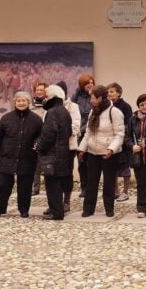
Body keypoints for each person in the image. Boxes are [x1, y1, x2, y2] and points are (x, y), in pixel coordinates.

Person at [0, 91, 43, 217]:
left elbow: (41, 136)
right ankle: (1, 209)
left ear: (28, 102)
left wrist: (37, 143)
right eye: (19, 101)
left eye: (24, 101)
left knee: (25, 187)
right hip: (7, 157)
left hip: (27, 158)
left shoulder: (36, 120)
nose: (21, 103)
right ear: (15, 103)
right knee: (3, 186)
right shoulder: (6, 118)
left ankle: (24, 210)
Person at [78, 85, 125, 217]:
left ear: (99, 98)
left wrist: (111, 148)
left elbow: (119, 134)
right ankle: (88, 209)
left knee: (109, 182)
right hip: (93, 152)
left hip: (109, 153)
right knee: (91, 181)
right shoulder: (93, 112)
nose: (90, 100)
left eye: (92, 97)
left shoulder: (114, 112)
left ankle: (109, 208)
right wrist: (82, 149)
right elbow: (88, 133)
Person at [37, 85, 73, 220]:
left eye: (46, 95)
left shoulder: (52, 112)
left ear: (52, 96)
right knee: (57, 183)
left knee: (52, 184)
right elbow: (69, 132)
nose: (44, 97)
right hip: (63, 152)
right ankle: (56, 209)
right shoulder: (64, 111)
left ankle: (56, 212)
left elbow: (48, 134)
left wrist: (40, 147)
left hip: (53, 154)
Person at [56, 81, 81, 213]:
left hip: (68, 146)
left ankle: (66, 201)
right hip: (53, 147)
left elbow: (75, 126)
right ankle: (55, 201)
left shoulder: (73, 107)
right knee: (54, 175)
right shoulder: (50, 107)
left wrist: (59, 134)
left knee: (66, 174)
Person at [108, 82, 134, 202]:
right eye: (108, 92)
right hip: (110, 140)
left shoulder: (125, 106)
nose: (109, 94)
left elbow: (129, 124)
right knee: (112, 167)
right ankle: (115, 191)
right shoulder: (107, 106)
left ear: (118, 93)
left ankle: (125, 192)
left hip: (123, 140)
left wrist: (122, 136)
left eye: (112, 91)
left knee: (124, 167)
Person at [72, 74, 95, 198]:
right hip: (79, 134)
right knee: (82, 163)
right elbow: (73, 112)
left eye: (92, 82)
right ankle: (84, 187)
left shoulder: (95, 96)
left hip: (91, 132)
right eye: (87, 83)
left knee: (92, 162)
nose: (90, 84)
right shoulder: (77, 97)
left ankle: (92, 187)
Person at [30, 81, 48, 196]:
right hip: (33, 137)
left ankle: (49, 187)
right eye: (38, 90)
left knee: (46, 163)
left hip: (46, 137)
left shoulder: (49, 104)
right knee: (34, 164)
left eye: (42, 90)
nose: (39, 92)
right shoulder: (30, 105)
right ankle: (35, 188)